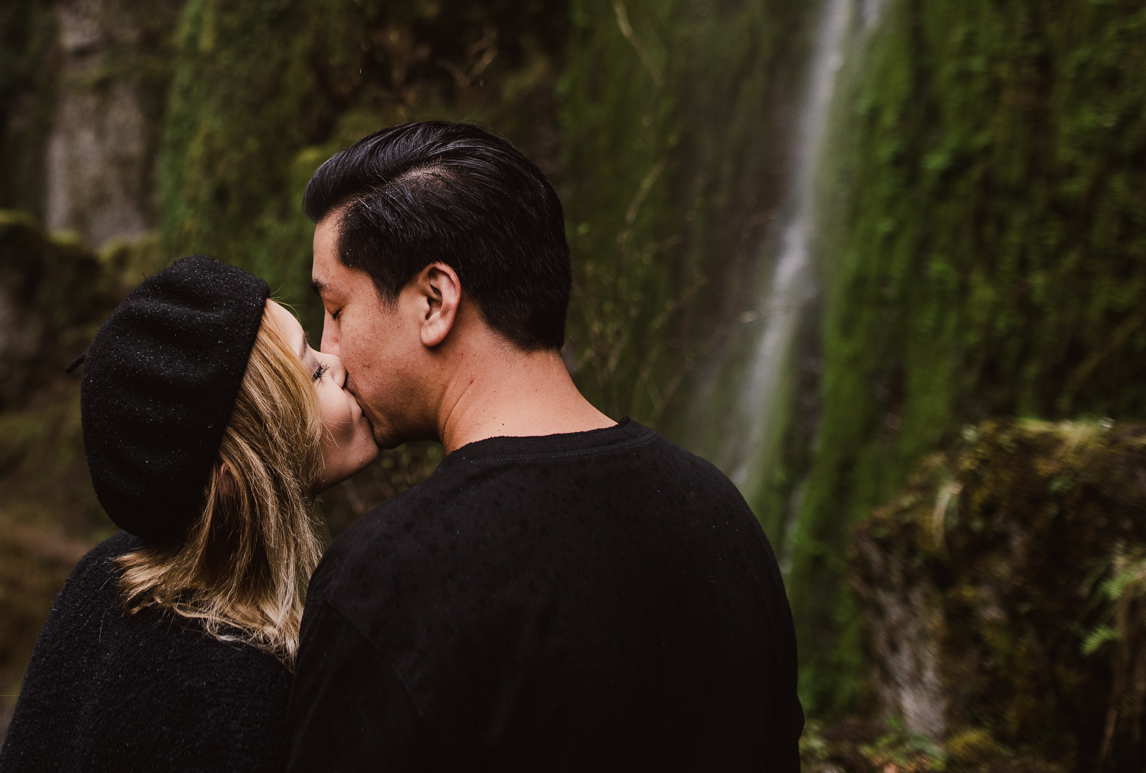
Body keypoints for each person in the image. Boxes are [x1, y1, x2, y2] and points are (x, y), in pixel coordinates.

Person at [287, 121, 804, 771]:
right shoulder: (723, 515)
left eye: (335, 309)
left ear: (433, 299)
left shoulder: (387, 577)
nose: (328, 351)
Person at [0, 254, 378, 773]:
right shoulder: (239, 687)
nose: (337, 363)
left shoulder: (99, 581)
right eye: (312, 371)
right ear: (237, 475)